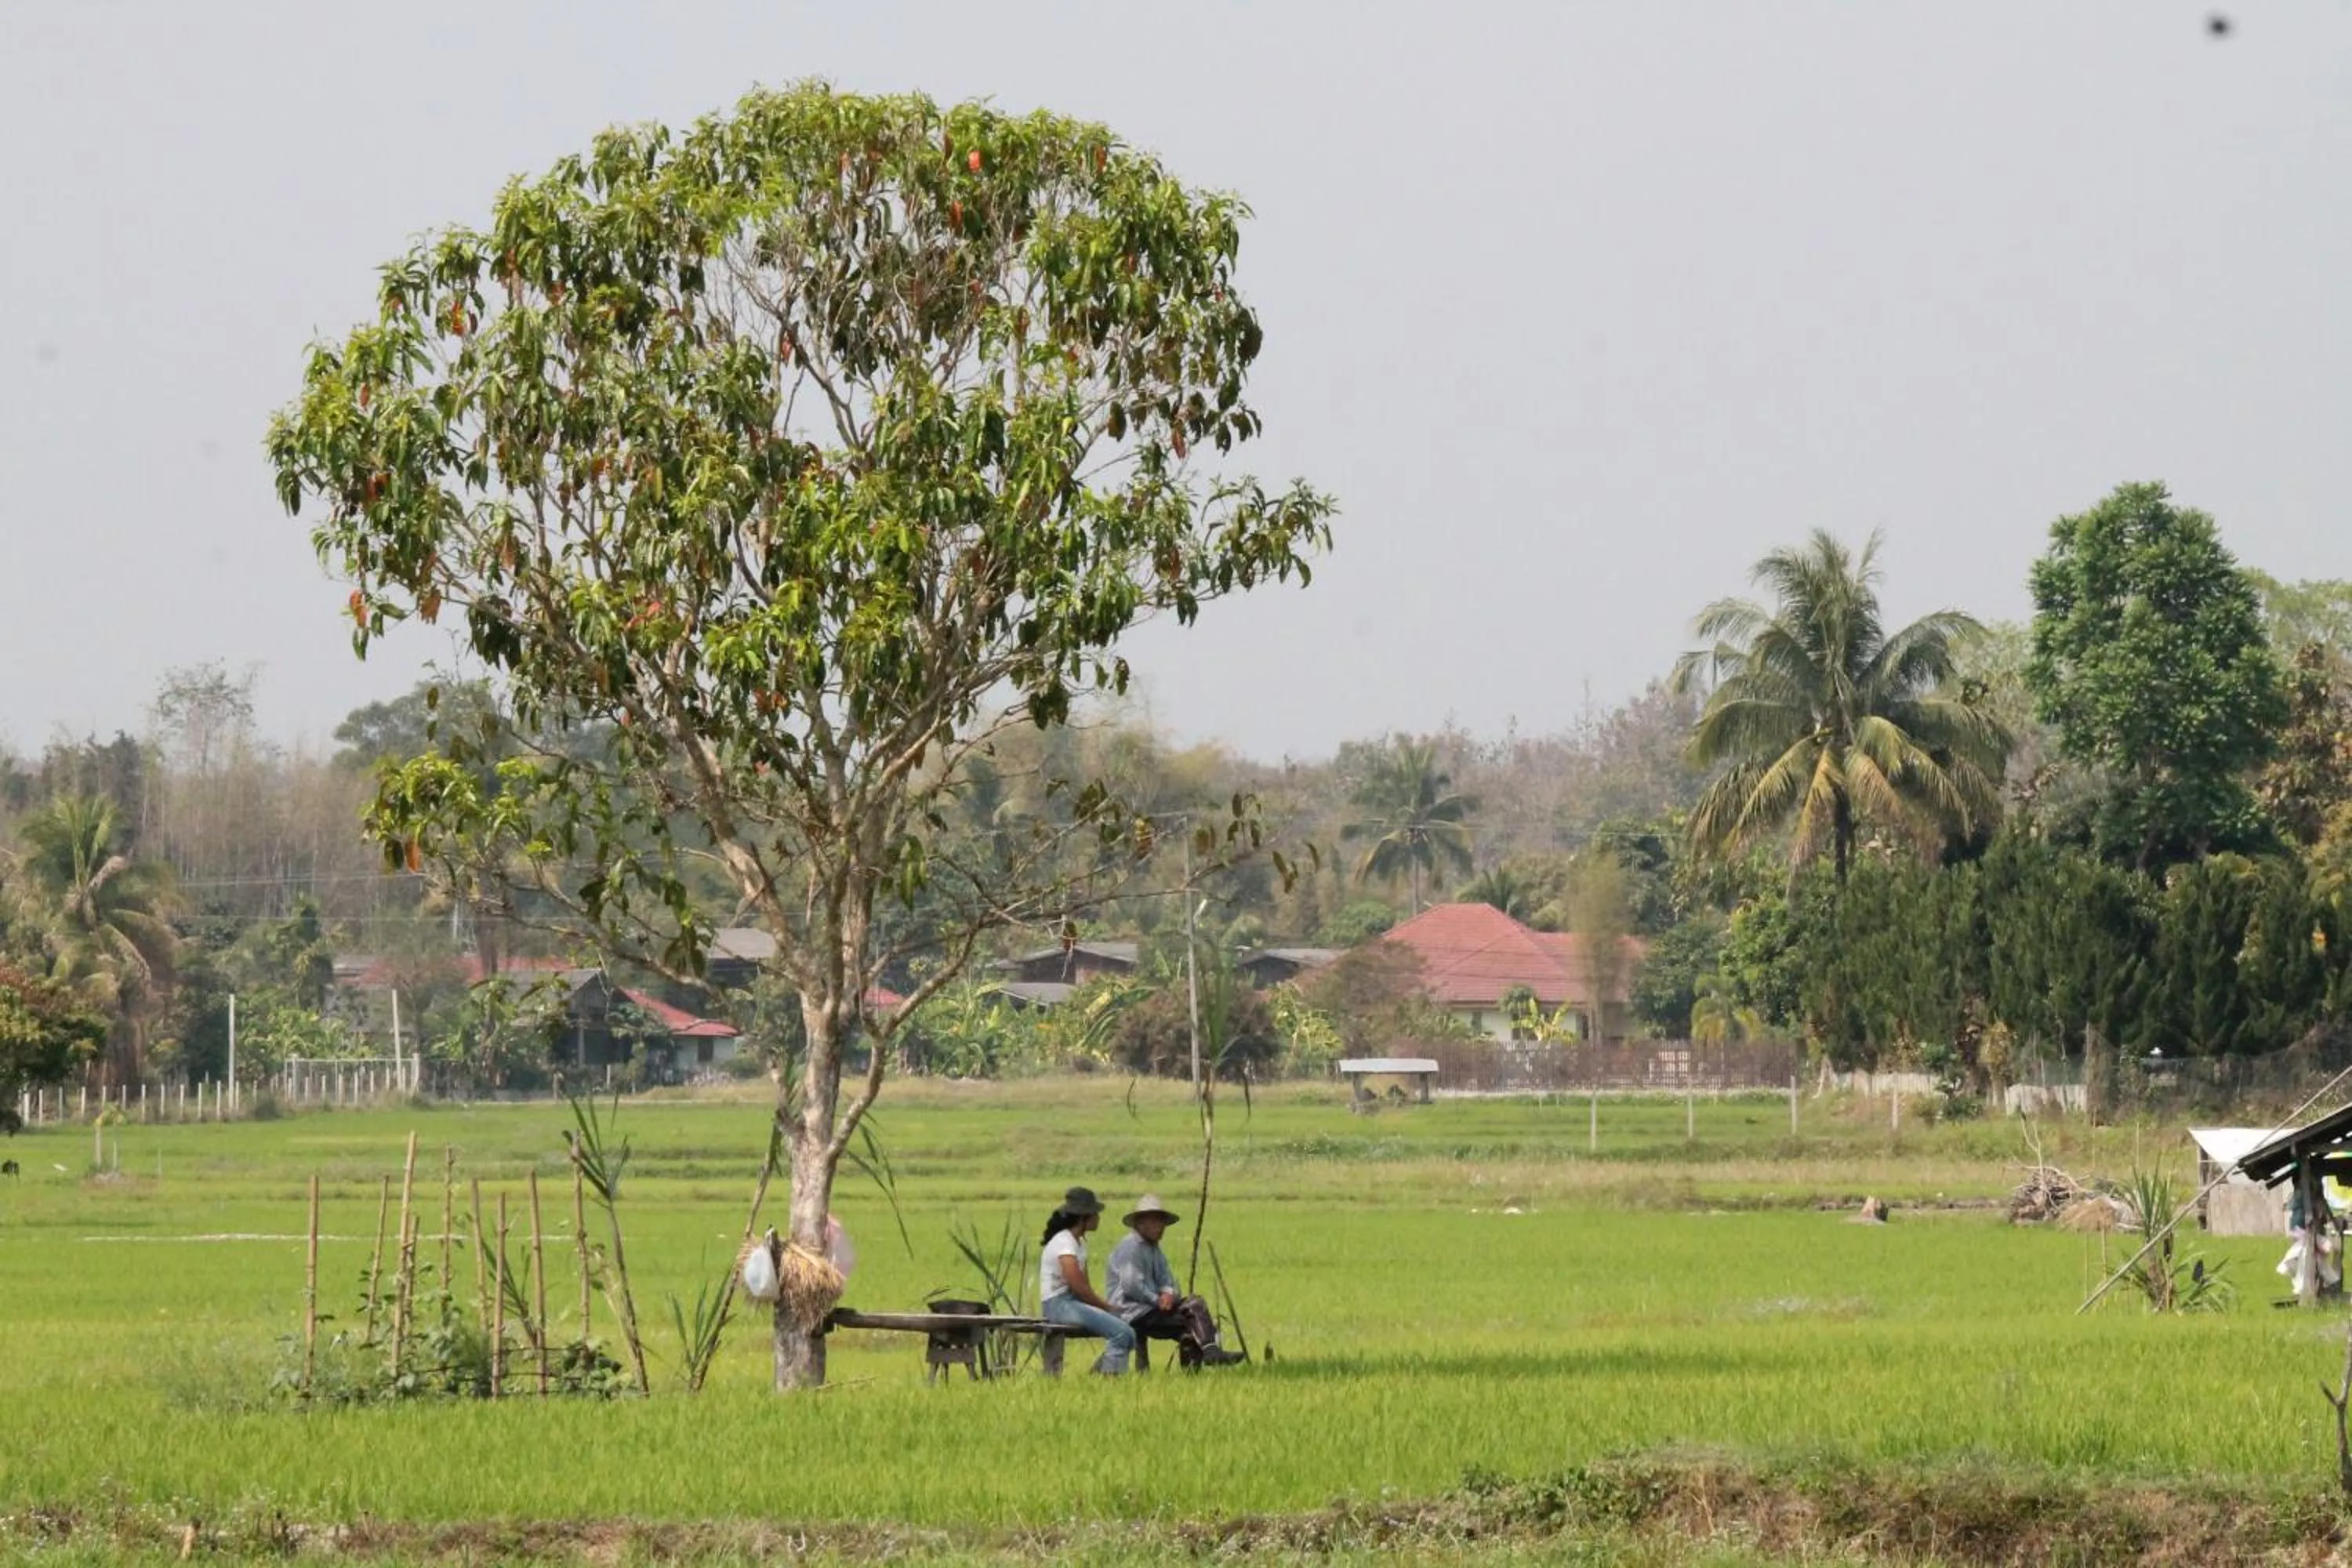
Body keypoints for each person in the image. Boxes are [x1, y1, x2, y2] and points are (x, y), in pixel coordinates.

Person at [1105, 1194, 1247, 1367]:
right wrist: (1158, 1300)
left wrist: (1169, 1294)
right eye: (1155, 1222)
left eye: (1162, 1222)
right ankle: (1211, 1352)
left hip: (1151, 1309)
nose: (1161, 1227)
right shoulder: (1131, 1248)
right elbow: (1132, 1286)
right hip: (1132, 1311)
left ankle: (1204, 1361)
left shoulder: (1154, 1249)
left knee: (1194, 1310)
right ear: (1140, 1223)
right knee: (1194, 1314)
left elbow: (1170, 1281)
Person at [1038, 1185, 1135, 1374]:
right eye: (1095, 1214)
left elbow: (1084, 1286)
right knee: (1121, 1333)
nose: (1099, 1218)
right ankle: (1110, 1380)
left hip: (1071, 1303)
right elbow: (1078, 1286)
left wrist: (1103, 1308)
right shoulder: (1064, 1242)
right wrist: (1106, 1307)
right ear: (1084, 1218)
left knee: (1129, 1334)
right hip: (1058, 1305)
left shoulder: (1079, 1243)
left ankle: (1097, 1375)